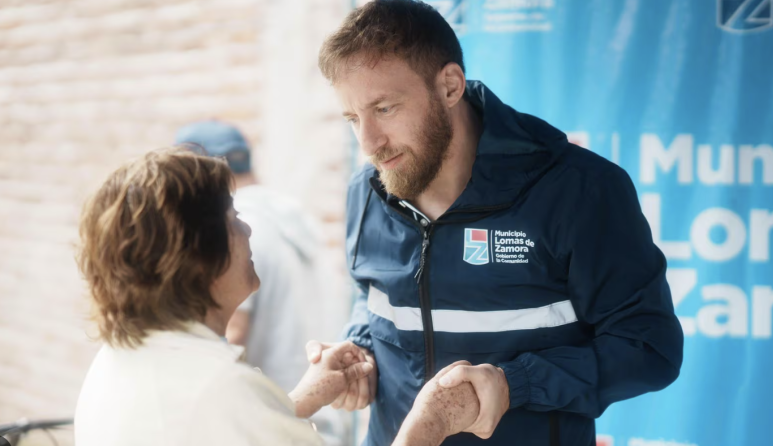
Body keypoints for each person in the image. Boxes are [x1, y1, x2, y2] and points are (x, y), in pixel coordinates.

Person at [307, 1, 685, 445]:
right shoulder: (366, 189)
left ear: (449, 85)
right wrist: (359, 351)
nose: (368, 142)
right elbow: (375, 298)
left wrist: (513, 384)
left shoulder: (578, 190)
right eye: (353, 118)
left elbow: (650, 347)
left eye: (385, 108)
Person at [73, 147, 480, 446]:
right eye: (233, 220)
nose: (248, 231)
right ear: (198, 258)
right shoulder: (222, 388)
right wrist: (428, 422)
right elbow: (221, 410)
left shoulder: (115, 360)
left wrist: (301, 400)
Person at [174, 121, 351, 443]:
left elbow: (231, 333)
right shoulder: (293, 216)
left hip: (274, 420)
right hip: (325, 416)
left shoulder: (235, 227)